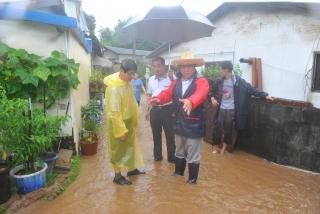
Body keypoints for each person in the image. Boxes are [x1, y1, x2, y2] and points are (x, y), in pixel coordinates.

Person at [149, 53, 209, 184]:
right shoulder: (176, 82)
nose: (186, 69)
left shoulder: (201, 81)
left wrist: (191, 101)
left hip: (194, 124)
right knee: (179, 150)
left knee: (193, 153)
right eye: (183, 67)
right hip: (179, 122)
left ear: (194, 67)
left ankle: (192, 180)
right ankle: (178, 173)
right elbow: (167, 94)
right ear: (180, 68)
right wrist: (158, 99)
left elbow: (201, 93)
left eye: (189, 66)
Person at [210, 61, 274, 154]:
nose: (219, 71)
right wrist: (212, 98)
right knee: (217, 128)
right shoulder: (219, 81)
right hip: (221, 108)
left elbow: (251, 89)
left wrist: (265, 95)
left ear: (226, 70)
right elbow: (211, 91)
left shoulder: (239, 81)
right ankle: (215, 148)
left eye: (221, 69)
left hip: (231, 110)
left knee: (228, 130)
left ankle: (223, 149)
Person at [103, 59, 145, 185]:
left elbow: (131, 102)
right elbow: (114, 112)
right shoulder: (114, 88)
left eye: (134, 74)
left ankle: (131, 170)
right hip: (118, 123)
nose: (133, 77)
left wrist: (135, 117)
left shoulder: (126, 82)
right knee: (117, 150)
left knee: (130, 146)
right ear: (122, 71)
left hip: (128, 120)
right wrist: (120, 130)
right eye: (131, 73)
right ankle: (117, 176)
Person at [145, 57, 176, 163]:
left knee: (170, 135)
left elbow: (176, 94)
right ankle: (157, 157)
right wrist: (147, 110)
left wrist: (173, 79)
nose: (157, 68)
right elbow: (149, 94)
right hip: (154, 110)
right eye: (154, 66)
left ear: (164, 66)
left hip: (168, 109)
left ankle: (172, 158)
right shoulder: (151, 80)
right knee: (156, 134)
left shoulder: (171, 78)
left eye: (159, 65)